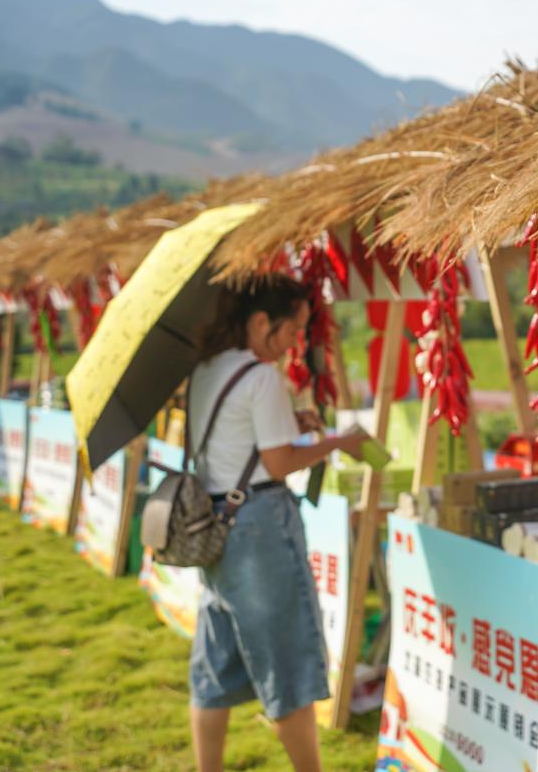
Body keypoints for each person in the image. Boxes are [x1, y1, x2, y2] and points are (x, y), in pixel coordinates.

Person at [187, 275, 371, 772]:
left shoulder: (208, 368)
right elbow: (279, 463)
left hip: (216, 523)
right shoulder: (261, 376)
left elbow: (241, 443)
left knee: (216, 662)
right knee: (288, 660)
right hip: (259, 527)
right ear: (262, 321)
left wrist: (296, 427)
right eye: (294, 329)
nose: (296, 341)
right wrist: (338, 443)